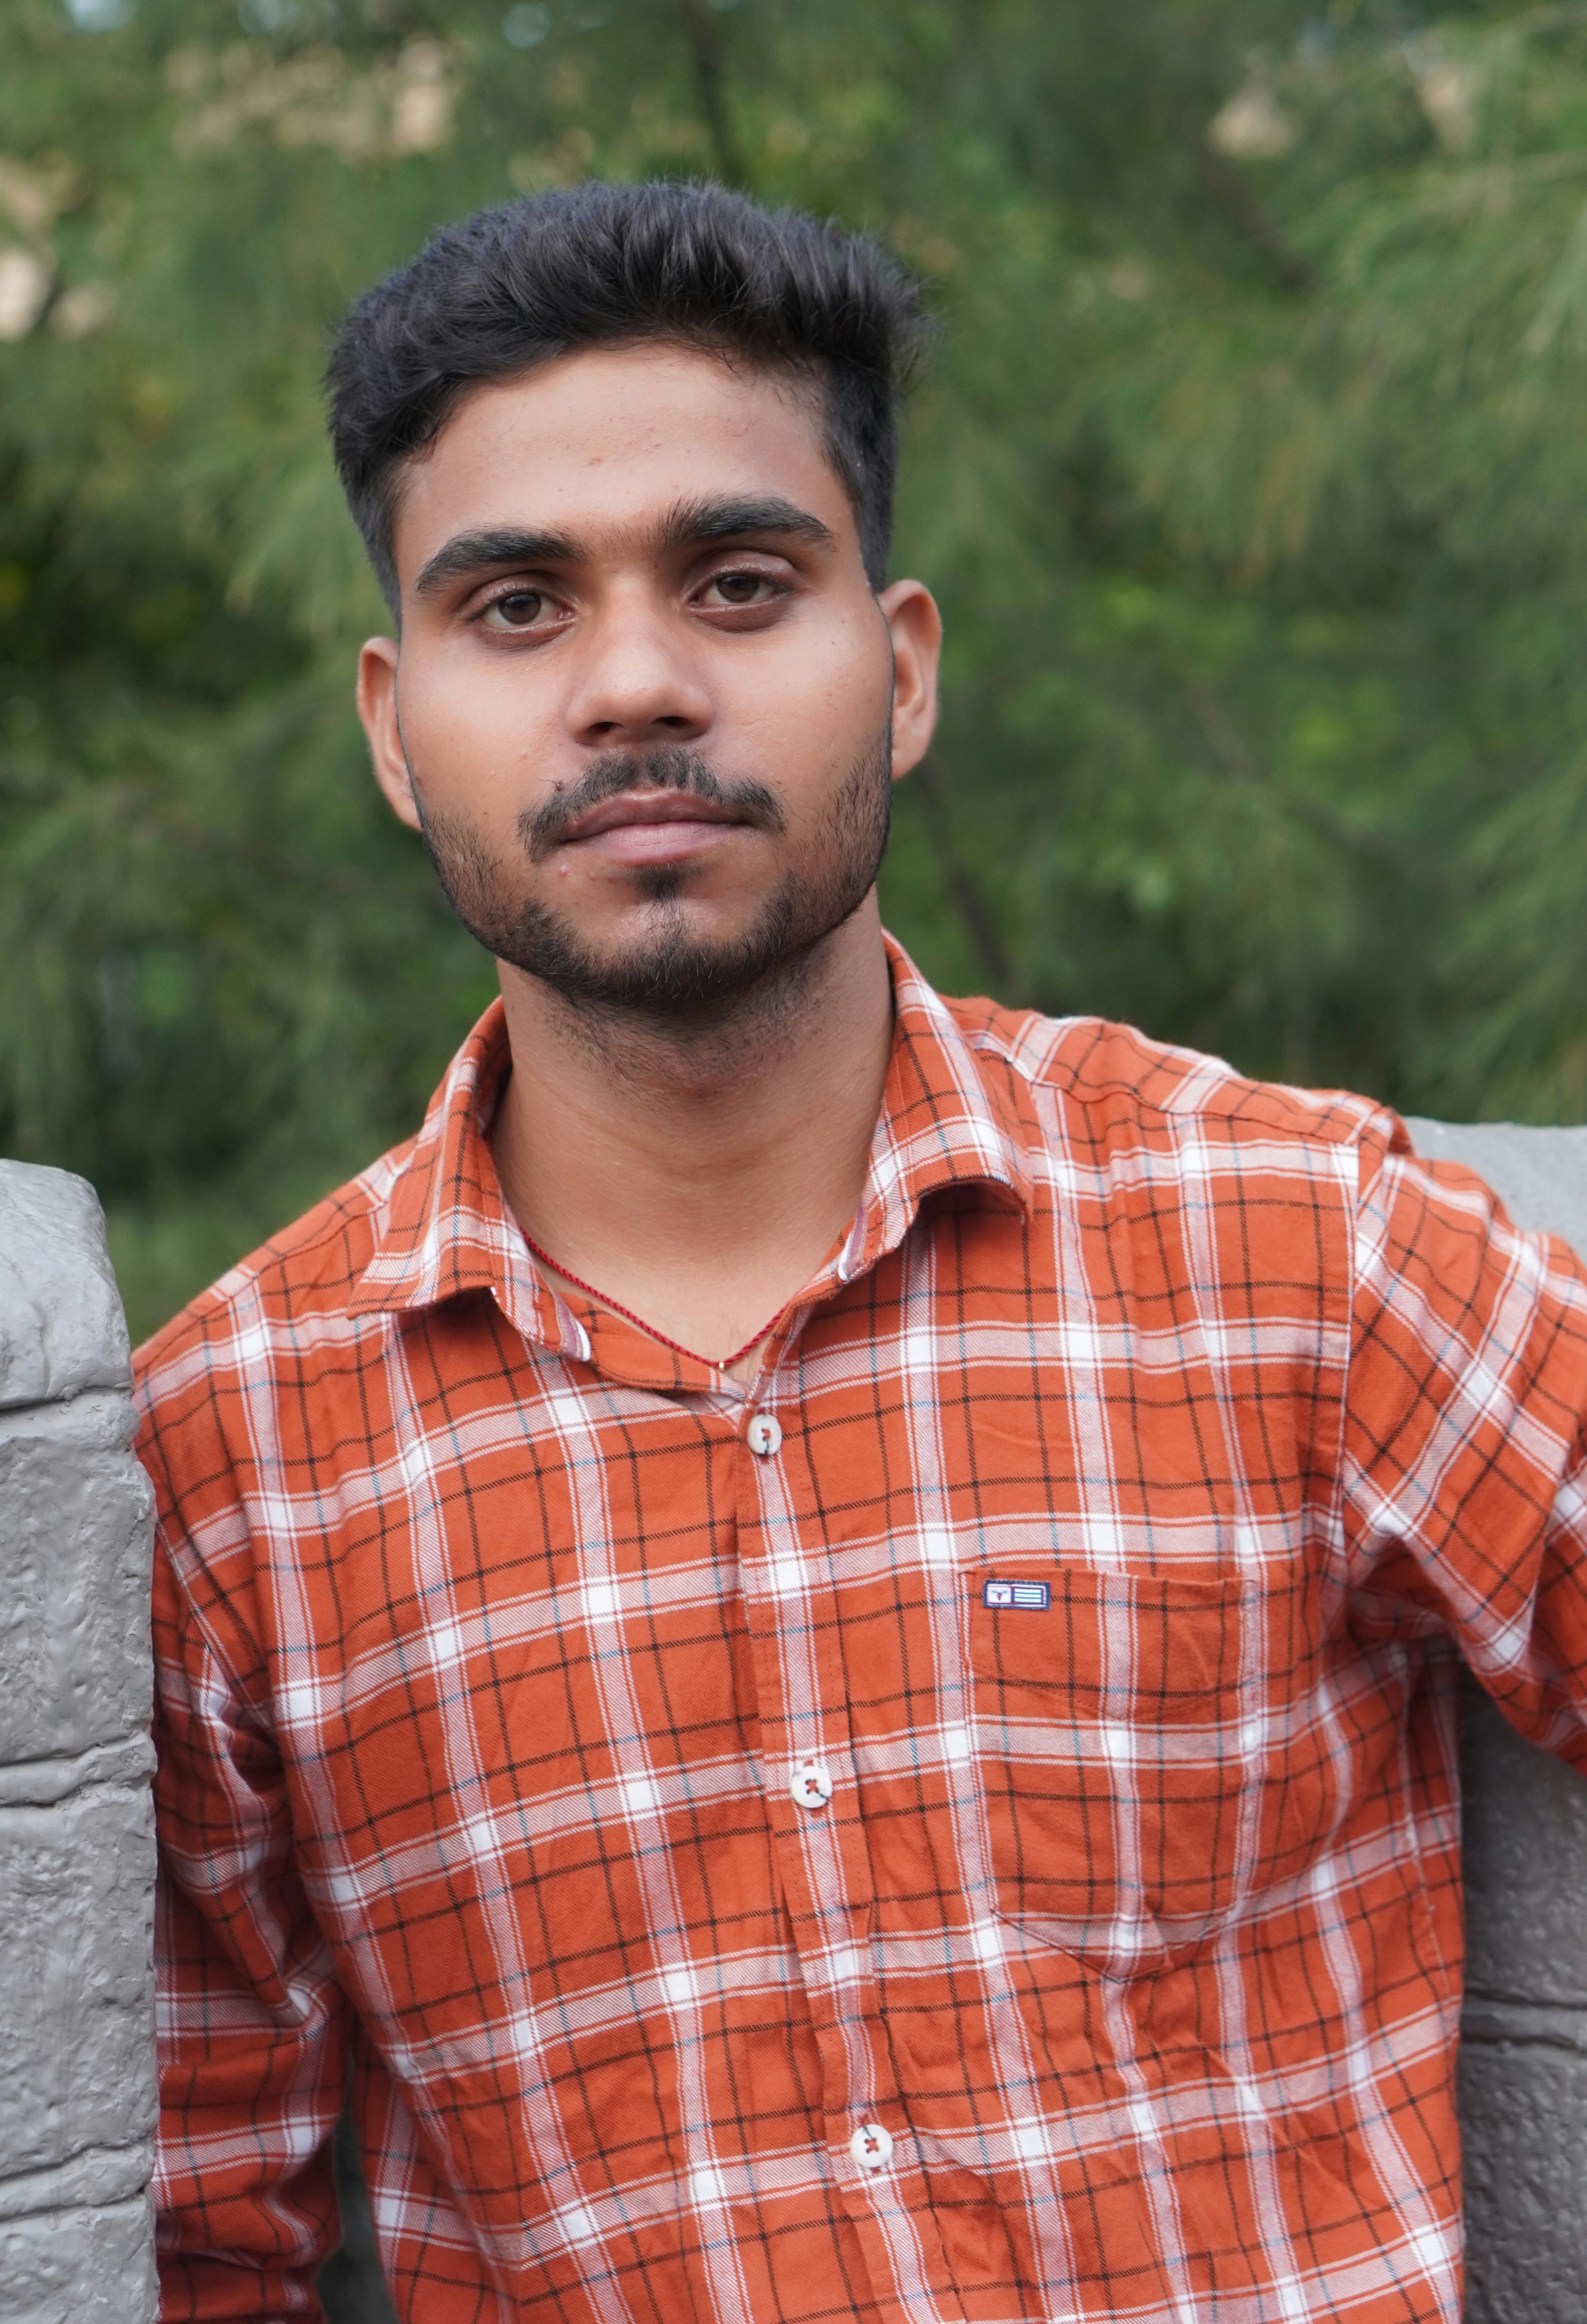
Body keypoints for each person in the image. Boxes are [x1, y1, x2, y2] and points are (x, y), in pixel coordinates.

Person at [136, 180, 1587, 2324]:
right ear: (389, 724)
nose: (634, 683)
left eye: (736, 582)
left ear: (895, 670)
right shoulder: (235, 1465)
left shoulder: (1294, 1249)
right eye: (517, 607)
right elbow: (188, 2243)